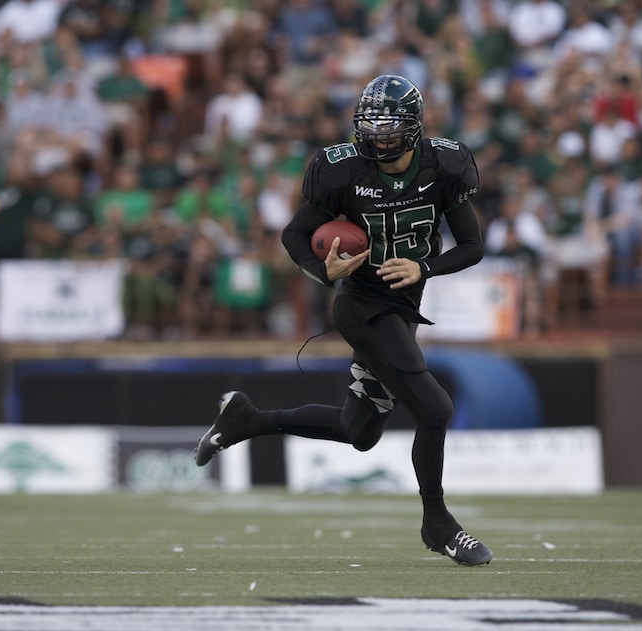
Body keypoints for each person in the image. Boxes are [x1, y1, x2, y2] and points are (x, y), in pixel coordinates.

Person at [194, 75, 492, 566]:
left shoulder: (446, 165)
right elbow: (295, 234)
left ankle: (246, 420)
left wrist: (425, 267)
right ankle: (438, 523)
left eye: (390, 126)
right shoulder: (340, 171)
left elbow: (473, 246)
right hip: (361, 306)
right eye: (371, 125)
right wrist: (322, 270)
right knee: (435, 410)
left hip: (404, 306)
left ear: (414, 128)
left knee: (360, 432)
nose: (379, 135)